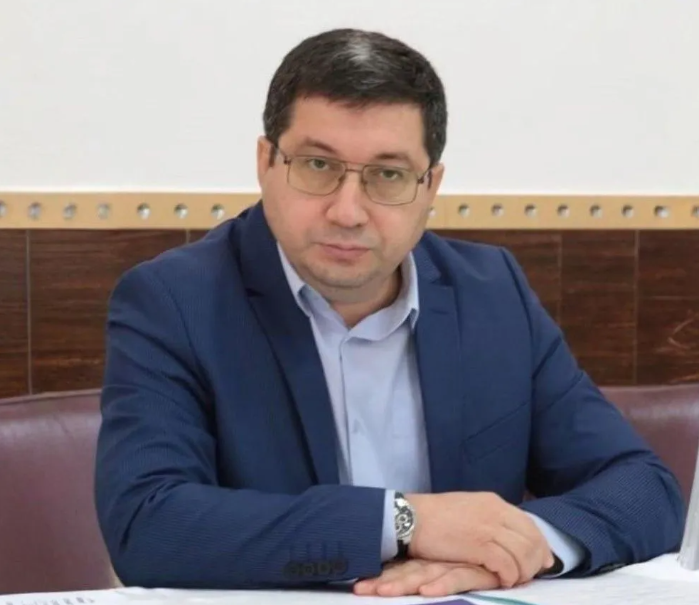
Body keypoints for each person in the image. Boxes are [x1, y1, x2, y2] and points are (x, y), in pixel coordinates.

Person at [95, 28, 684, 597]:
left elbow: (643, 490)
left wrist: (518, 544)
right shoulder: (174, 300)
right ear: (265, 162)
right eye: (317, 165)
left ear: (431, 186)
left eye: (388, 175)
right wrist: (405, 522)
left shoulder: (491, 293)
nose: (348, 211)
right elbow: (147, 524)